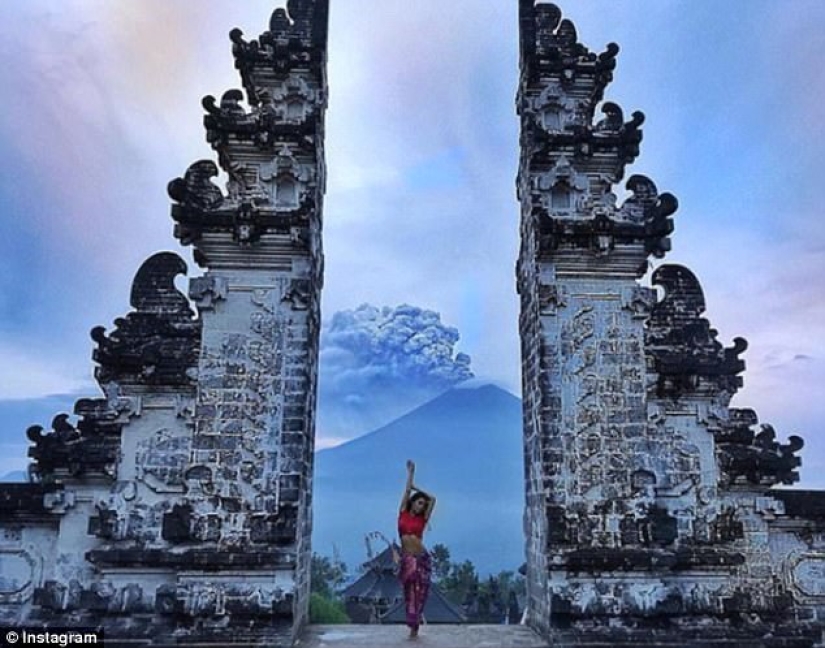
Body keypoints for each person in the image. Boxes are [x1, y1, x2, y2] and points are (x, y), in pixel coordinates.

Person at [397, 460, 436, 639]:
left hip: (420, 558)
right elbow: (406, 492)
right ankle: (412, 625)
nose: (421, 506)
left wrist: (417, 488)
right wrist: (411, 476)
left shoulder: (423, 519)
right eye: (419, 503)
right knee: (409, 593)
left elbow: (433, 499)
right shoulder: (403, 513)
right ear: (413, 503)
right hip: (407, 558)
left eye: (423, 504)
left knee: (419, 594)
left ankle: (415, 629)